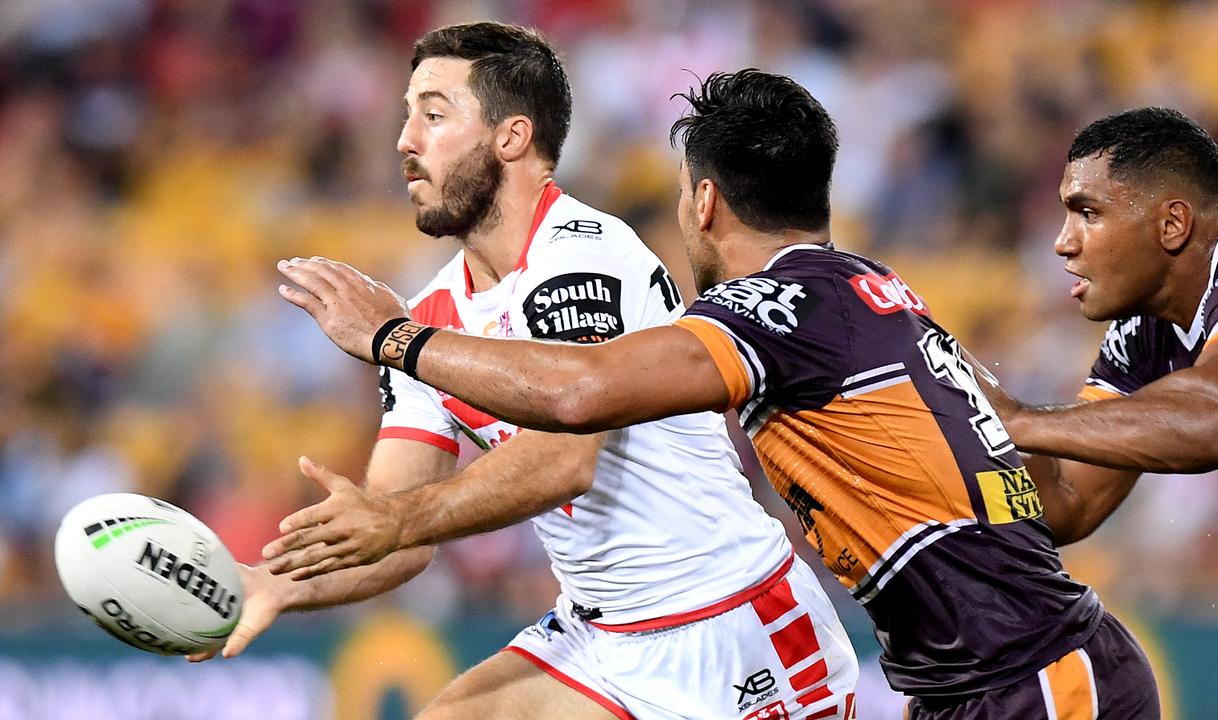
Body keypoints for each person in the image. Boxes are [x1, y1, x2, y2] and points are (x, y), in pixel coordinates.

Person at [271, 69, 1160, 719]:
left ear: (702, 205)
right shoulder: (871, 291)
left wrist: (392, 339)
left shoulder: (769, 309)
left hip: (1023, 679)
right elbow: (1059, 506)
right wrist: (1136, 352)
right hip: (994, 677)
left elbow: (581, 399)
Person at [202, 23, 860, 720]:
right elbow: (395, 534)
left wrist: (394, 514)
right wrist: (275, 584)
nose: (405, 141)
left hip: (732, 625)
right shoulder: (428, 316)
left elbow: (562, 459)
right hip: (600, 639)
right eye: (405, 115)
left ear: (511, 138)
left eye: (433, 114)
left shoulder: (583, 252)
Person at [973, 107, 1218, 545]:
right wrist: (950, 462)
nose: (1063, 242)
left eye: (1088, 213)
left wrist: (1013, 419)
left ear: (1172, 224)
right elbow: (1069, 496)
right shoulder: (1145, 333)